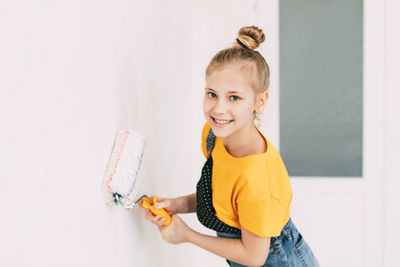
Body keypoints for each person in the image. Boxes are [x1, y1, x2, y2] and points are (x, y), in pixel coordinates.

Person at [139, 25, 319, 267]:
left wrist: (187, 236)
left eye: (234, 97)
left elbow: (254, 256)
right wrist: (176, 205)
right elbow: (223, 198)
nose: (218, 109)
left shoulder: (255, 178)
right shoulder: (216, 138)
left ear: (260, 101)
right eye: (212, 94)